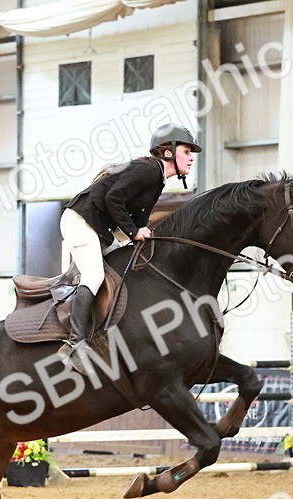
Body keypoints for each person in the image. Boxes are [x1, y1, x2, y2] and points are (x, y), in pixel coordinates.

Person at [58, 123, 200, 374]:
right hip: (79, 221)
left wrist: (142, 236)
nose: (191, 158)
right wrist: (134, 232)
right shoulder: (148, 170)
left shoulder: (157, 179)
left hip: (97, 227)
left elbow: (139, 219)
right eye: (187, 152)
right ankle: (74, 344)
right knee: (94, 275)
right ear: (168, 152)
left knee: (122, 265)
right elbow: (113, 198)